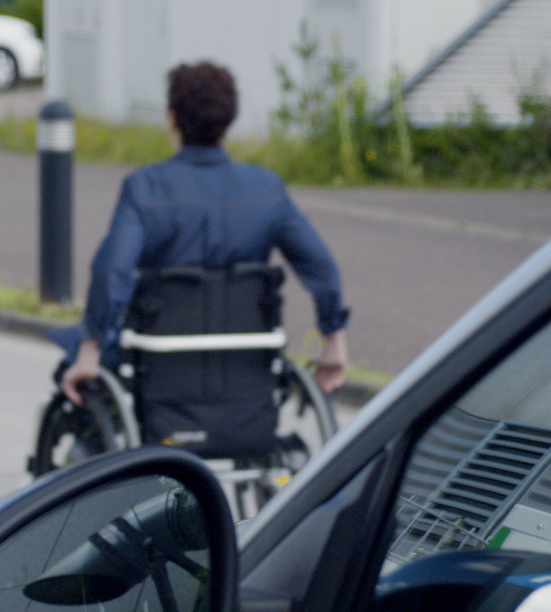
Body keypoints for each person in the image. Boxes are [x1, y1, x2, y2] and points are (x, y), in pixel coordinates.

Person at [57, 61, 351, 406]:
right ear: (229, 120)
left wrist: (91, 348)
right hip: (243, 366)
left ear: (171, 118)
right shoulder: (266, 189)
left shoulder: (145, 188)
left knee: (70, 344)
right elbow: (320, 265)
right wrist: (334, 338)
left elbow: (113, 270)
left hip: (160, 361)